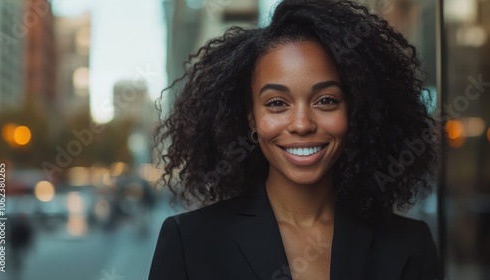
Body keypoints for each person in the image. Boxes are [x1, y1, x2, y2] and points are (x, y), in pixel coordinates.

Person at [149, 0, 441, 279]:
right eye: (277, 103)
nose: (302, 125)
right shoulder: (189, 242)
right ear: (251, 118)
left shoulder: (411, 246)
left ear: (355, 113)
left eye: (326, 100)